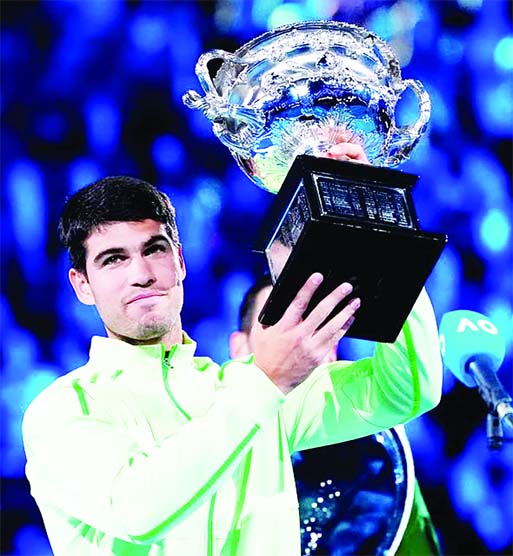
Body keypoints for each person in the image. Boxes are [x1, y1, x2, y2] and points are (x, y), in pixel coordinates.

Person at [22, 143, 442, 556]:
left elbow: (405, 390)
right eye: (114, 259)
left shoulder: (241, 389)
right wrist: (266, 382)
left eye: (154, 249)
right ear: (82, 285)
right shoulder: (62, 409)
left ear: (180, 261)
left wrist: (372, 215)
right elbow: (137, 510)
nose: (142, 274)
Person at [230, 274, 442, 556]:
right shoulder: (211, 420)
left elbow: (406, 391)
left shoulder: (380, 464)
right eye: (278, 322)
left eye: (315, 325)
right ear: (239, 348)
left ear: (332, 347)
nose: (298, 340)